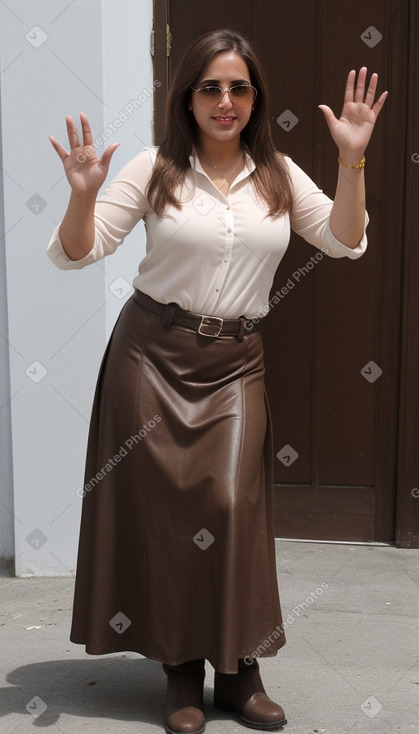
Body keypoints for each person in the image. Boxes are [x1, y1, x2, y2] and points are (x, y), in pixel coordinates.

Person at [47, 27, 387, 734]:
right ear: (189, 97)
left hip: (234, 363)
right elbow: (78, 252)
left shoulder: (280, 174)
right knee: (170, 515)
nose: (224, 100)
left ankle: (238, 673)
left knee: (231, 504)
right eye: (210, 87)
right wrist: (83, 194)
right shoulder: (154, 168)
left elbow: (346, 240)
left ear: (254, 96)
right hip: (150, 355)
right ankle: (179, 673)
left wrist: (351, 162)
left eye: (238, 87)